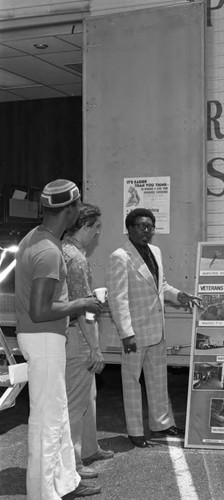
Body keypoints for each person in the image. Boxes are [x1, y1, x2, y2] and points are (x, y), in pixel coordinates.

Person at [15, 179, 103, 499]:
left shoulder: (36, 239)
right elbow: (40, 310)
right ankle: (44, 492)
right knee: (47, 422)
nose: (79, 210)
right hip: (43, 339)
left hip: (42, 339)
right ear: (69, 209)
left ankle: (65, 482)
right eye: (77, 205)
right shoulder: (49, 251)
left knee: (58, 417)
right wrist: (83, 303)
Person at [106, 208, 200, 448]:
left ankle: (162, 424)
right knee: (131, 383)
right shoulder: (120, 257)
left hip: (157, 330)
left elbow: (162, 286)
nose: (146, 230)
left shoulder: (155, 251)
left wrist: (180, 296)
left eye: (150, 226)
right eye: (141, 226)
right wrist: (126, 333)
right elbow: (118, 300)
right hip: (134, 334)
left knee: (159, 381)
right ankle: (135, 431)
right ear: (129, 228)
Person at [62, 204, 114, 483]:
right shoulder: (76, 259)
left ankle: (89, 448)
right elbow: (81, 308)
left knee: (87, 397)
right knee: (77, 402)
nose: (97, 235)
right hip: (78, 336)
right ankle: (73, 463)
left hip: (73, 333)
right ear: (84, 226)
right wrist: (94, 348)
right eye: (95, 228)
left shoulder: (67, 251)